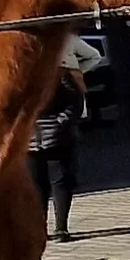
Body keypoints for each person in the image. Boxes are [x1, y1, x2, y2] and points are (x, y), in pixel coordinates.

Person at [30, 39, 93, 242]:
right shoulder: (20, 79)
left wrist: (60, 123)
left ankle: (61, 228)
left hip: (57, 136)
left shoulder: (60, 74)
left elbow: (74, 101)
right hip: (29, 140)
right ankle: (40, 228)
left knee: (60, 182)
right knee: (36, 186)